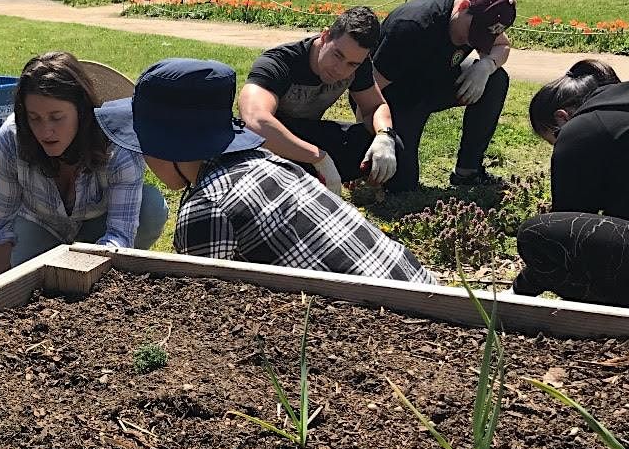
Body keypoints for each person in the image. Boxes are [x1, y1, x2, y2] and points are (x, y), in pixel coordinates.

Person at [95, 58, 436, 284]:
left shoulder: (206, 207)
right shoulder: (271, 163)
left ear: (168, 147)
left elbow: (204, 314)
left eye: (143, 144)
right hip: (423, 295)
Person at [0, 52, 168, 278]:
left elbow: (119, 236)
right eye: (34, 118)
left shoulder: (119, 147)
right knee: (28, 280)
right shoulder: (12, 139)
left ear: (81, 111)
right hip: (39, 221)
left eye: (56, 117)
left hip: (97, 221)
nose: (45, 131)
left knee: (151, 207)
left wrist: (78, 279)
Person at [514, 59, 629, 310]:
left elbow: (567, 240)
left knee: (537, 234)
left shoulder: (581, 128)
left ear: (561, 118)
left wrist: (521, 289)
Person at [239, 6, 400, 195]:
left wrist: (384, 136)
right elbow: (254, 122)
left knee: (390, 145)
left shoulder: (359, 65)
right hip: (272, 144)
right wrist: (319, 158)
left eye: (352, 64)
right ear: (325, 36)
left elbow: (375, 106)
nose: (340, 69)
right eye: (337, 55)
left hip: (310, 135)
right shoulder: (279, 62)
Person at [371, 0, 516, 192]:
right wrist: (375, 138)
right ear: (463, 6)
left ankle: (468, 170)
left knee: (496, 79)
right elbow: (371, 89)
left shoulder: (486, 8)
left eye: (482, 36)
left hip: (438, 79)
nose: (471, 41)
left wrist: (486, 66)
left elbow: (502, 45)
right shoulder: (411, 27)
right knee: (401, 186)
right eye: (473, 32)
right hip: (398, 94)